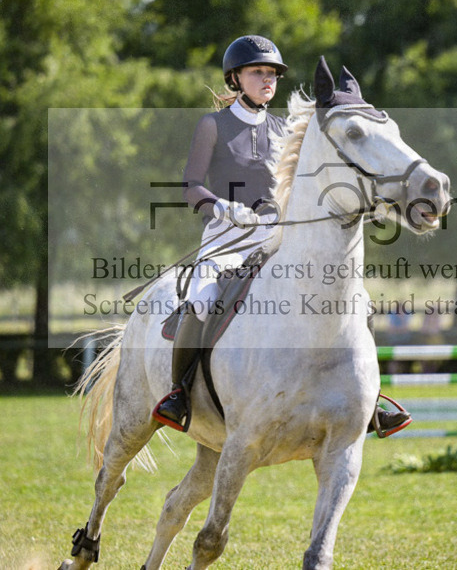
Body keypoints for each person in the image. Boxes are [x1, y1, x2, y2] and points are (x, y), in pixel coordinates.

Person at [151, 35, 410, 437]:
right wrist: (222, 208)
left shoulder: (283, 129)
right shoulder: (213, 125)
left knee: (359, 301)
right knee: (201, 300)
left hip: (276, 239)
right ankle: (179, 394)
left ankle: (371, 401)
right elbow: (191, 186)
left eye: (272, 73)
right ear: (235, 78)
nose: (267, 79)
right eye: (257, 72)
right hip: (226, 240)